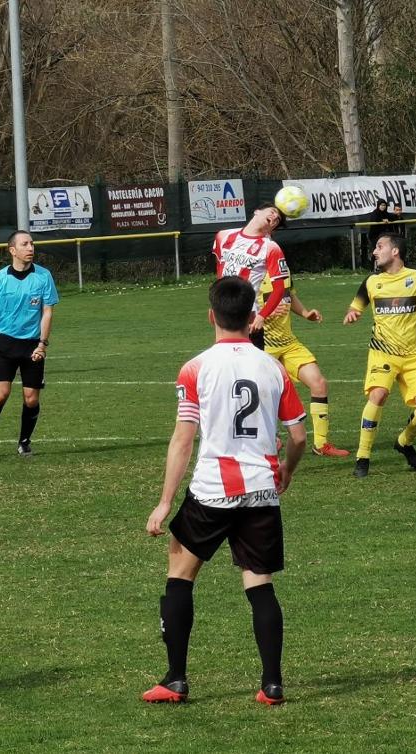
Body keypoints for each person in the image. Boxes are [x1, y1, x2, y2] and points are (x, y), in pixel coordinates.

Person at [143, 276, 308, 705]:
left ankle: (175, 679)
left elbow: (183, 439)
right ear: (253, 318)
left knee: (179, 577)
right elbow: (299, 436)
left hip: (212, 492)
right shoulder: (274, 367)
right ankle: (272, 684)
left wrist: (164, 504)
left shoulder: (196, 367)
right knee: (260, 585)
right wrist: (287, 470)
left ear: (211, 316)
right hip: (260, 492)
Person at [344, 233, 416, 478]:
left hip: (414, 355)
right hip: (383, 353)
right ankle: (362, 457)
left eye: (379, 246)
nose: (374, 251)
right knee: (378, 395)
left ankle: (404, 441)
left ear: (395, 251)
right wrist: (353, 313)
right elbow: (355, 305)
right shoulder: (371, 281)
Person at [0, 230, 58, 458]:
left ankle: (24, 442)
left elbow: (47, 312)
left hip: (32, 345)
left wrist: (42, 344)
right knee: (1, 394)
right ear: (12, 250)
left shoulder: (43, 276)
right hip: (6, 344)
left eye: (32, 244)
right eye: (25, 244)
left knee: (31, 398)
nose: (31, 248)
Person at [258, 272, 349, 457]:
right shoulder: (250, 272)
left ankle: (321, 444)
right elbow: (237, 309)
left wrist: (306, 313)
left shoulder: (282, 270)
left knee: (319, 384)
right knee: (266, 391)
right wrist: (266, 311)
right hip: (263, 345)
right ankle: (267, 440)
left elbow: (289, 295)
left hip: (289, 344)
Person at [212, 203, 290, 350]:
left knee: (253, 368)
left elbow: (279, 288)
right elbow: (220, 273)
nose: (274, 217)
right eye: (273, 212)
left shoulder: (271, 247)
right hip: (223, 312)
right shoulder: (223, 235)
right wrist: (216, 304)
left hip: (249, 316)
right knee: (225, 362)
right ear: (257, 211)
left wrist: (262, 316)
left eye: (278, 220)